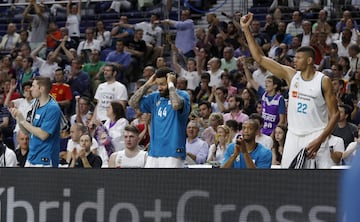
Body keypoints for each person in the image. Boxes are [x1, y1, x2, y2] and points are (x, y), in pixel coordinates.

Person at [240, 13, 339, 169]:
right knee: (289, 180)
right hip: (293, 135)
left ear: (309, 60)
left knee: (321, 184)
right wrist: (246, 29)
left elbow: (336, 114)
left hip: (316, 134)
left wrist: (320, 139)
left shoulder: (323, 80)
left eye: (298, 58)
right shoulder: (291, 75)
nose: (294, 60)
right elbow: (259, 58)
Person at [128, 67, 190, 168]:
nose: (159, 88)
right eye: (158, 84)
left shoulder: (183, 95)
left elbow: (176, 105)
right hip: (154, 152)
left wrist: (171, 85)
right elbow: (132, 103)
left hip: (173, 152)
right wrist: (147, 84)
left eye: (163, 84)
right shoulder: (155, 97)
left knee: (170, 183)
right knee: (150, 184)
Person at [9, 76, 62, 167]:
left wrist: (23, 121)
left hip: (45, 159)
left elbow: (43, 135)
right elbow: (27, 132)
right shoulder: (34, 105)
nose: (30, 89)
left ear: (41, 89)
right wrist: (18, 119)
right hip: (31, 157)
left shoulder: (53, 108)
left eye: (33, 86)